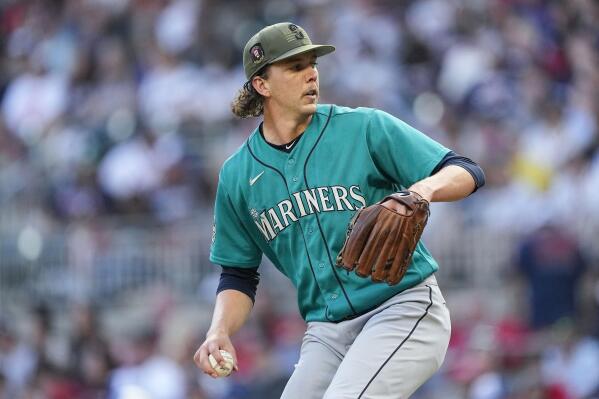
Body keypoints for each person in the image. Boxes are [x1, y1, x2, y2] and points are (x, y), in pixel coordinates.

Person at [193, 22, 485, 398]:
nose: (311, 73)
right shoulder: (237, 175)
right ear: (262, 85)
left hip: (401, 308)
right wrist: (218, 331)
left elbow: (466, 169)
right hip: (326, 332)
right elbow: (238, 273)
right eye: (295, 67)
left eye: (312, 63)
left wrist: (422, 191)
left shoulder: (362, 126)